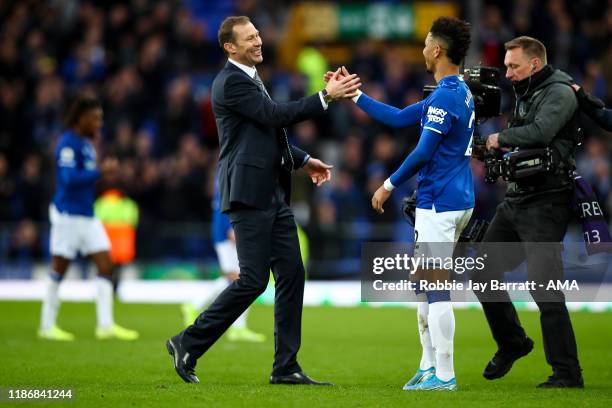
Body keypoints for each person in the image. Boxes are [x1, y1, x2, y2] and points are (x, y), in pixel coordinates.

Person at [165, 15, 360, 385]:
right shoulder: (229, 82)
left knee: (292, 273)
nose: (258, 41)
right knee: (253, 280)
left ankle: (286, 366)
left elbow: (267, 133)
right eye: (249, 37)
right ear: (230, 47)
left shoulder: (251, 79)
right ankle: (187, 341)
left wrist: (303, 160)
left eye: (257, 34)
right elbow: (273, 116)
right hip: (248, 194)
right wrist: (324, 98)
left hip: (271, 192)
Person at [329, 17, 475, 391]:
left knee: (436, 286)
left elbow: (424, 150)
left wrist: (388, 185)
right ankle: (429, 367)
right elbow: (396, 118)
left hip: (440, 202)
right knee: (425, 283)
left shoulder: (445, 96)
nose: (423, 49)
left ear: (438, 49)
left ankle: (445, 374)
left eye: (426, 43)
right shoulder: (456, 92)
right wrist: (354, 95)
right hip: (450, 199)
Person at [479, 36, 583, 388]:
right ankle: (513, 342)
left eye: (513, 66)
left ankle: (567, 373)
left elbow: (542, 131)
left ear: (534, 64)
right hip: (517, 199)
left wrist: (500, 139)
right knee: (482, 271)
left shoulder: (560, 91)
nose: (507, 72)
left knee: (545, 287)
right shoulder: (529, 90)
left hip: (547, 201)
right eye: (507, 65)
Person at [39, 94, 139, 341]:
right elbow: (68, 179)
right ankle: (46, 325)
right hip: (68, 216)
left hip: (87, 214)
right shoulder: (68, 143)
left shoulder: (85, 144)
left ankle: (105, 326)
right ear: (80, 118)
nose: (98, 124)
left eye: (100, 119)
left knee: (106, 264)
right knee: (59, 269)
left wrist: (102, 173)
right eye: (94, 119)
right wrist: (99, 171)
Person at [180, 179, 266, 343]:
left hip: (226, 233)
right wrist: (231, 229)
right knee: (244, 279)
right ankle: (197, 306)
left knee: (239, 279)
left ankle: (234, 326)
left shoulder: (227, 173)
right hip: (228, 235)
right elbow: (226, 205)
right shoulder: (231, 175)